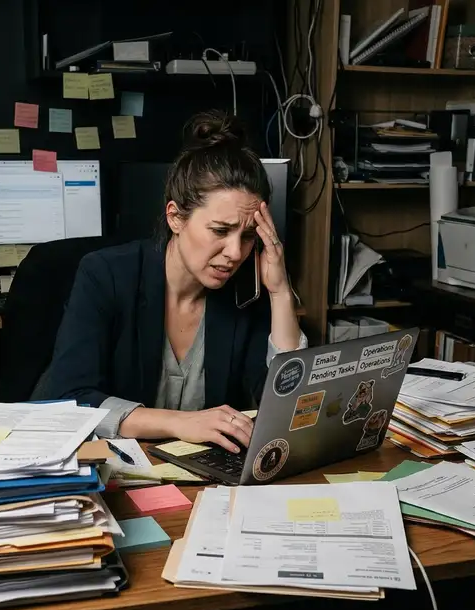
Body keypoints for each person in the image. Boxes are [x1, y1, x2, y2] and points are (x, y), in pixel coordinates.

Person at [40, 110, 306, 454]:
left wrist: (280, 292)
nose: (234, 252)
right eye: (220, 231)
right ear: (175, 217)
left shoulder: (245, 292)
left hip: (206, 479)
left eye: (249, 235)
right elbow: (69, 399)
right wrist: (179, 422)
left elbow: (289, 407)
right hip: (119, 471)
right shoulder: (106, 275)